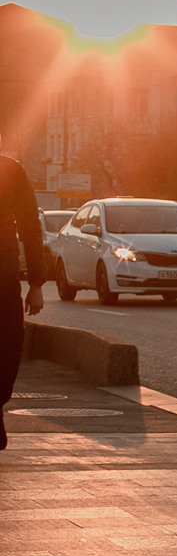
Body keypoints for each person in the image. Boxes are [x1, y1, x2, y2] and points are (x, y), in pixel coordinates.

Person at [1, 153, 48, 452]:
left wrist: (36, 283)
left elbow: (30, 224)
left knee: (9, 346)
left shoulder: (11, 170)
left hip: (3, 276)